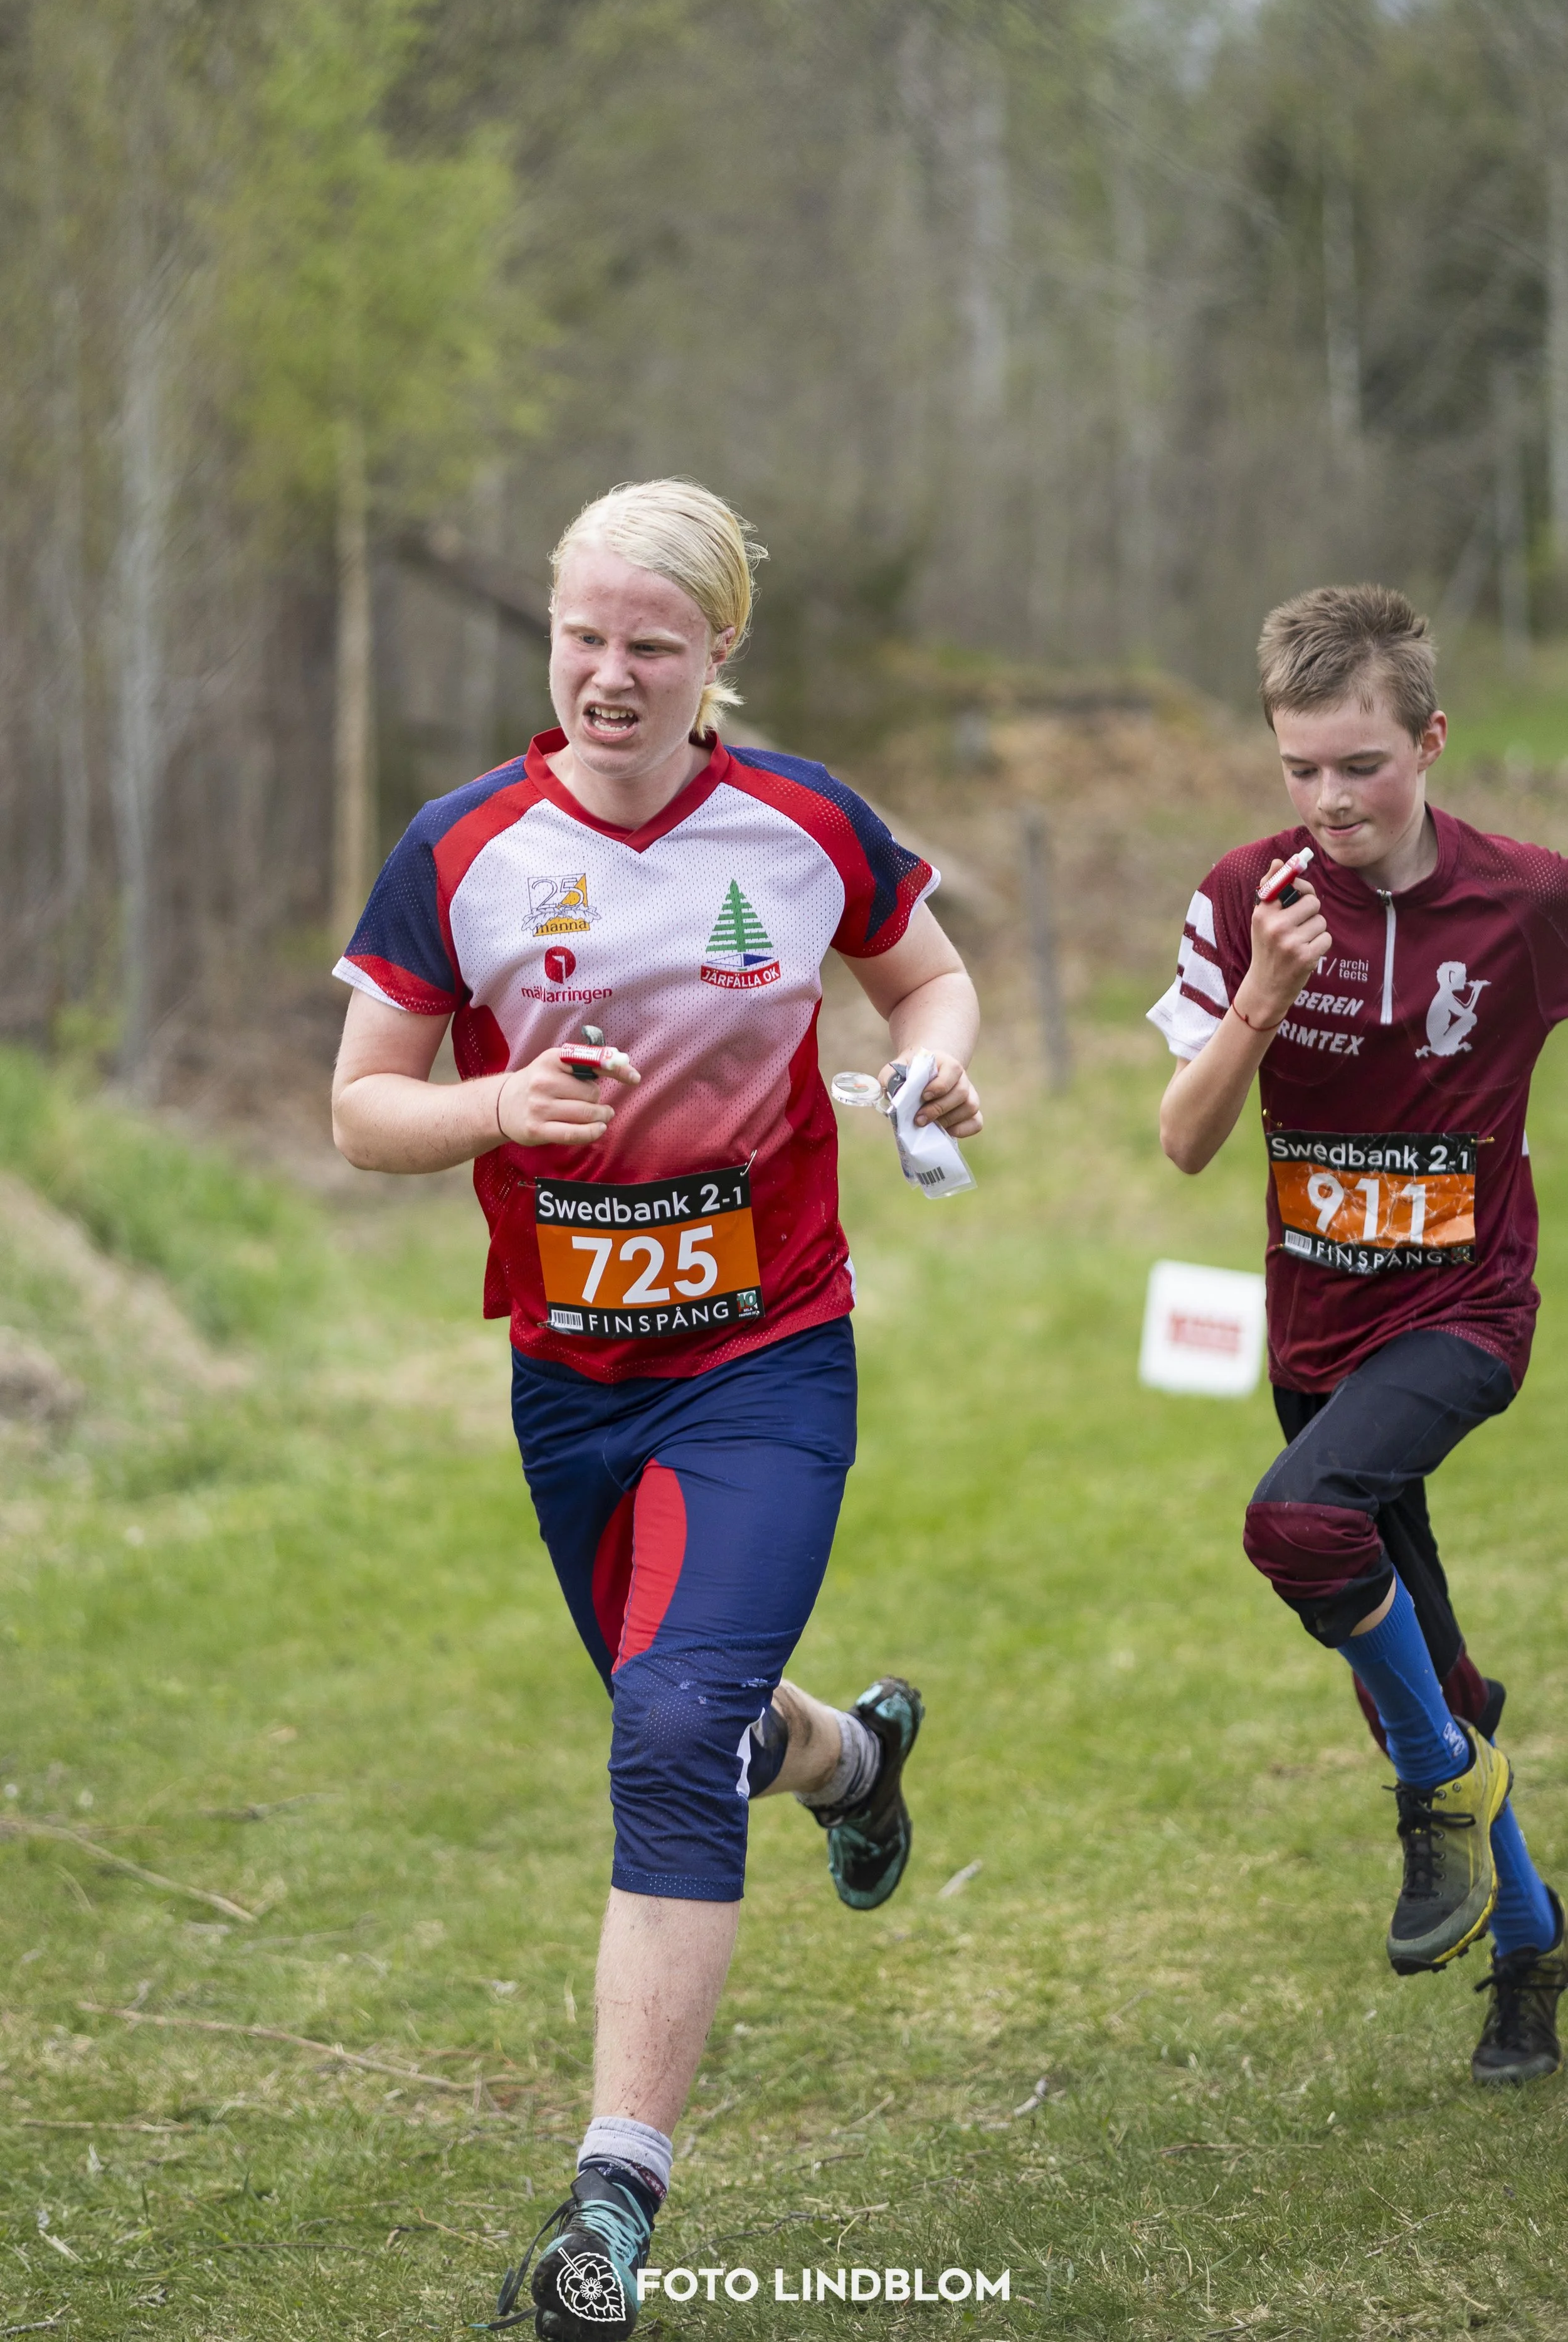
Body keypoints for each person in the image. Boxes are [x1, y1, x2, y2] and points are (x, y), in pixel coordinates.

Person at [331, 479, 983, 2338]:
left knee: (669, 1721)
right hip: (573, 1383)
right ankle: (848, 1760)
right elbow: (360, 1107)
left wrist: (929, 1071)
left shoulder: (798, 824)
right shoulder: (461, 846)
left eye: (650, 644)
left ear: (718, 657)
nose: (608, 675)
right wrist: (494, 1109)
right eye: (581, 637)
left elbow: (927, 976)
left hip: (763, 1356)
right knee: (682, 1713)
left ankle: (609, 2204)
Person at [1149, 583, 1566, 2087]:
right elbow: (1183, 1140)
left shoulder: (1525, 902)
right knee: (1417, 1672)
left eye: (1360, 766)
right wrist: (1260, 998)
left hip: (1462, 1315)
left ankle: (1435, 1792)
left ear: (1429, 741)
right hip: (1314, 1337)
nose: (1328, 801)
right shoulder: (1241, 897)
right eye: (1298, 769)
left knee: (1295, 1524)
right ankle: (1530, 1948)